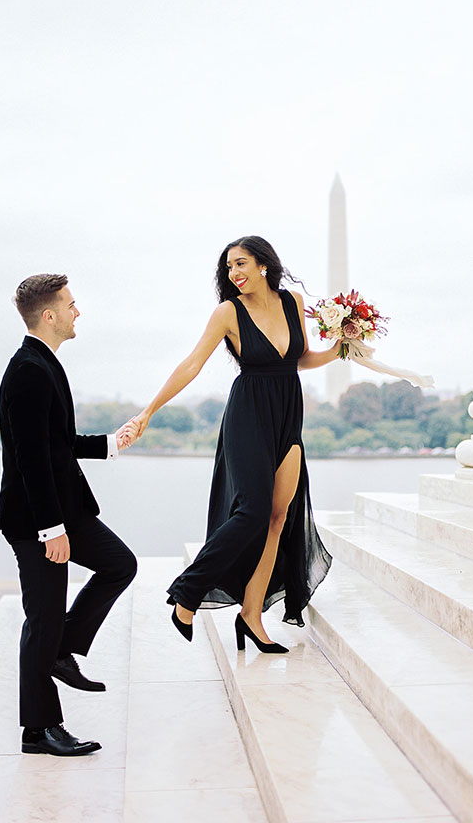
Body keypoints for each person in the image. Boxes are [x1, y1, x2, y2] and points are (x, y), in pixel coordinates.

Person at [129, 237, 334, 652]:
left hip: (289, 416)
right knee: (252, 512)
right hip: (248, 417)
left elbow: (299, 358)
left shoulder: (292, 302)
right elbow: (191, 364)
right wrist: (148, 411)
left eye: (241, 264)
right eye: (228, 268)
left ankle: (251, 616)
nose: (233, 273)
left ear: (264, 265)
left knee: (279, 516)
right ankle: (189, 591)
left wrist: (341, 349)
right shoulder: (228, 312)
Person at [0, 273, 138, 756]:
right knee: (42, 618)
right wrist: (50, 531)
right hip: (39, 520)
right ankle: (39, 730)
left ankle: (63, 649)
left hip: (64, 508)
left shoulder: (44, 364)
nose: (78, 312)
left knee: (120, 565)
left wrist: (110, 444)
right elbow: (31, 458)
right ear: (50, 314)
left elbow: (55, 444)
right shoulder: (28, 371)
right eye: (72, 305)